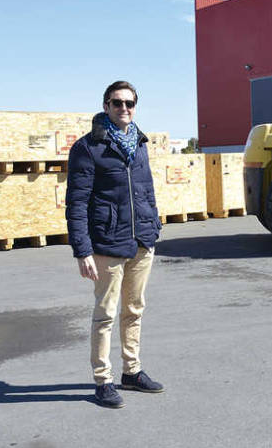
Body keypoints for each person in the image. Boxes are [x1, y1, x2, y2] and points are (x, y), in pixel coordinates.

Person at [66, 80, 164, 408]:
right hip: (107, 243)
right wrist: (82, 250)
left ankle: (132, 371)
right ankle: (103, 379)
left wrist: (154, 224)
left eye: (130, 103)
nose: (124, 108)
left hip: (141, 241)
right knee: (106, 314)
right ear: (106, 106)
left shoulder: (139, 142)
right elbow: (77, 203)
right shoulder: (88, 147)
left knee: (134, 309)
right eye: (117, 103)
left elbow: (146, 189)